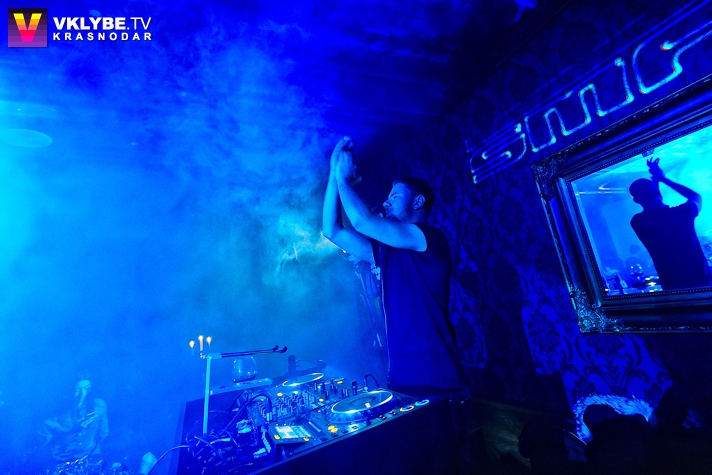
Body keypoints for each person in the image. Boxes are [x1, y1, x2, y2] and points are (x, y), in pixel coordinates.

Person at [321, 137, 465, 397]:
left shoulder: (429, 238)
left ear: (418, 202)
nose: (386, 203)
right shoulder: (387, 251)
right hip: (403, 378)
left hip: (436, 378)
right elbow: (332, 230)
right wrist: (333, 174)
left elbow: (362, 221)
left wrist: (343, 178)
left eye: (395, 197)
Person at [628, 158, 711, 290]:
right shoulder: (682, 213)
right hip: (700, 283)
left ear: (636, 200)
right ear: (657, 192)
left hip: (671, 287)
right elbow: (696, 197)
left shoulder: (637, 222)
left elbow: (655, 211)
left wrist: (655, 183)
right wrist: (662, 178)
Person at [39, 377, 109, 464]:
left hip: (89, 458)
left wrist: (95, 456)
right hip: (61, 461)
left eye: (86, 388)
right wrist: (72, 432)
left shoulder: (98, 407)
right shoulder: (53, 414)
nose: (82, 394)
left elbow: (103, 433)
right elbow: (44, 446)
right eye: (77, 390)